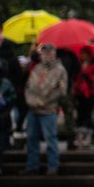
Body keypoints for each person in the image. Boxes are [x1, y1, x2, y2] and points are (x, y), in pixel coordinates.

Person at [23, 42, 67, 175]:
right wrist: (30, 101)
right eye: (44, 51)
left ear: (54, 53)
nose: (46, 54)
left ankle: (53, 166)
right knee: (31, 138)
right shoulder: (37, 68)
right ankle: (32, 166)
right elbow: (28, 87)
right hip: (33, 110)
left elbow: (61, 91)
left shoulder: (60, 70)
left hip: (48, 110)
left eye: (49, 51)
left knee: (50, 138)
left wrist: (44, 101)